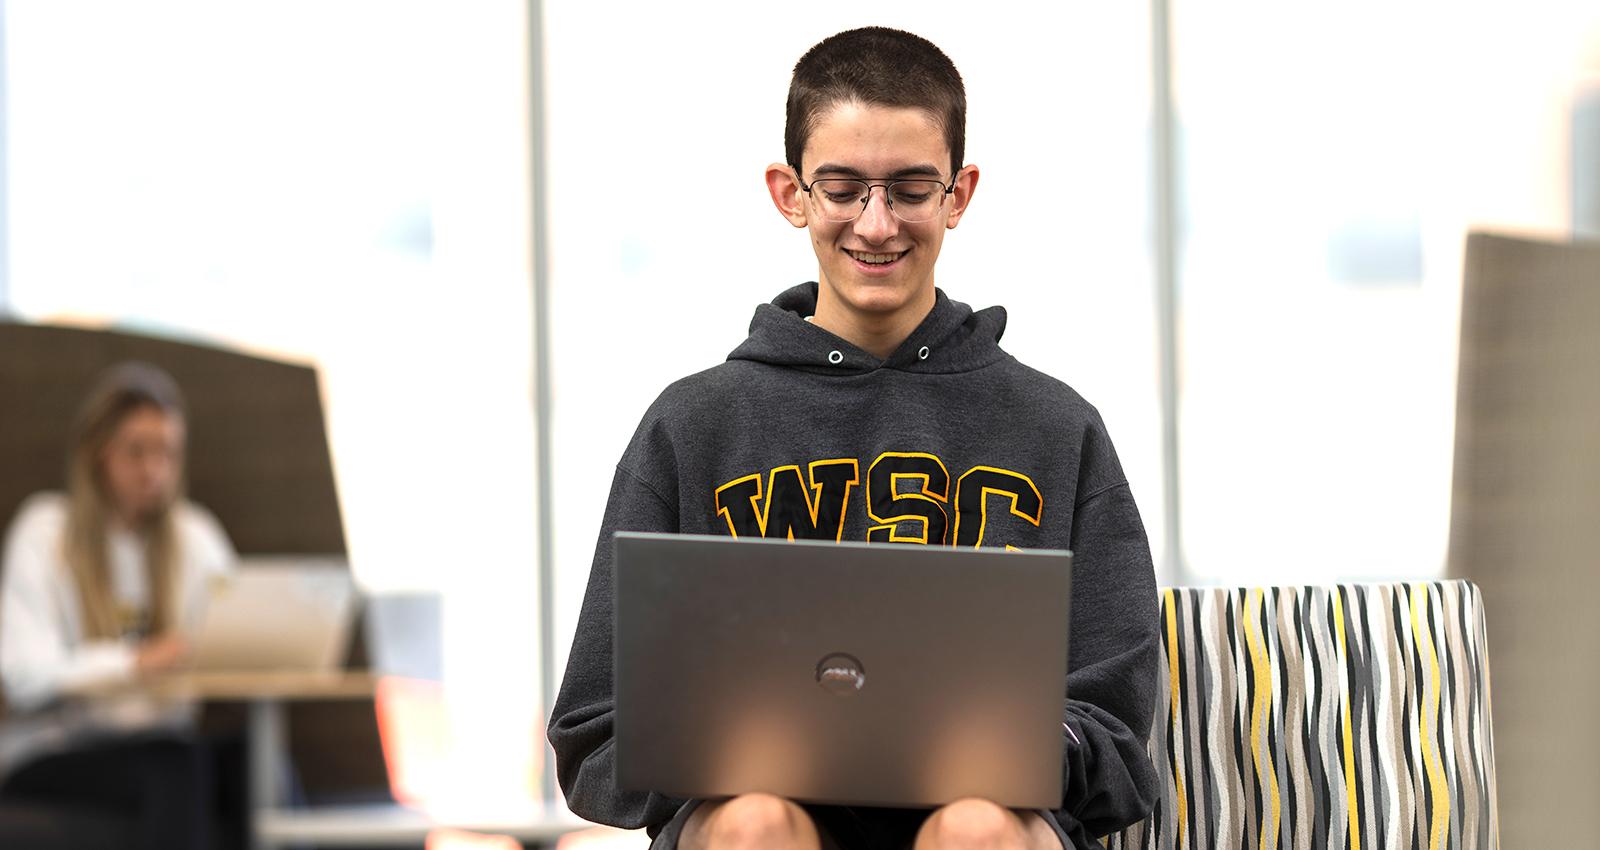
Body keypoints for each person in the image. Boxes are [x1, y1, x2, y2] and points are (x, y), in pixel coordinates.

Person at [548, 26, 1160, 850]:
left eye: (911, 188)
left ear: (960, 193)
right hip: (748, 819)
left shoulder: (1058, 427)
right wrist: (725, 751)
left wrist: (1024, 749)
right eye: (842, 187)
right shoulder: (691, 426)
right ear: (789, 192)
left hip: (992, 822)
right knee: (758, 822)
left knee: (978, 828)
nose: (876, 225)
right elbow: (594, 725)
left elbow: (1117, 727)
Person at [0, 361, 236, 850]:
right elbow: (24, 678)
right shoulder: (47, 533)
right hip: (59, 748)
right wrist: (134, 663)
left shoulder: (195, 537)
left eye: (167, 453)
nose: (153, 470)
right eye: (136, 452)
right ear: (97, 453)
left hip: (165, 740)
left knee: (262, 768)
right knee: (175, 768)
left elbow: (239, 626)